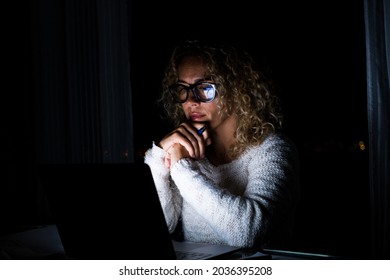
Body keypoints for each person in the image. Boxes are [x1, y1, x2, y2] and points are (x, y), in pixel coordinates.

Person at [144, 39, 300, 251]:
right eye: (183, 89)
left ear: (237, 89)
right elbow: (165, 224)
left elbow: (247, 233)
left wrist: (181, 168)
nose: (191, 101)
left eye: (205, 88)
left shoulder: (274, 149)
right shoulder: (188, 149)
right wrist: (159, 155)